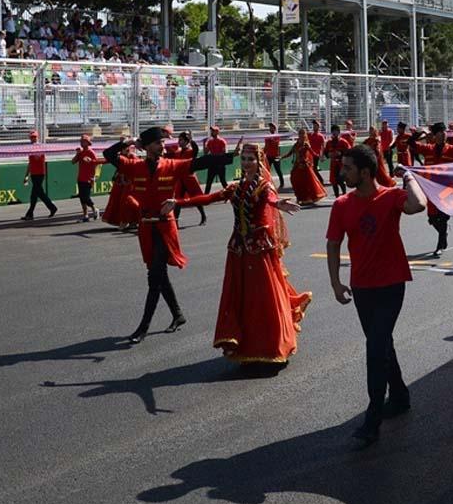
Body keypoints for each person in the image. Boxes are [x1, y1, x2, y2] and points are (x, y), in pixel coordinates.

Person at [164, 142, 309, 364]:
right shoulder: (236, 188)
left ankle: (271, 345)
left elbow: (271, 200)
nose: (247, 163)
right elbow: (209, 198)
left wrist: (279, 203)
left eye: (251, 159)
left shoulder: (264, 187)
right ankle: (245, 344)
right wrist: (179, 201)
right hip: (238, 249)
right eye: (244, 159)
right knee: (241, 298)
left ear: (259, 162)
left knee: (263, 298)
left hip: (259, 249)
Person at [326, 144, 427, 445]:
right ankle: (399, 395)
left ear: (365, 172)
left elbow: (418, 205)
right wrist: (335, 283)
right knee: (382, 343)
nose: (341, 172)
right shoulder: (342, 205)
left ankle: (373, 415)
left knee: (375, 346)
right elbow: (333, 244)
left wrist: (409, 178)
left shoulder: (390, 196)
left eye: (347, 168)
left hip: (391, 285)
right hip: (362, 287)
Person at [102, 127, 234, 343]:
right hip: (146, 228)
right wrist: (130, 141)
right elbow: (109, 155)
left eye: (162, 142)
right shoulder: (134, 166)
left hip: (165, 228)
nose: (162, 146)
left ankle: (142, 329)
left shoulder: (172, 165)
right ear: (145, 147)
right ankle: (178, 315)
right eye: (157, 143)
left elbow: (201, 163)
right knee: (159, 275)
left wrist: (232, 156)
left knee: (154, 277)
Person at [415, 122, 453, 257]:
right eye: (440, 132)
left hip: (447, 190)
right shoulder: (428, 149)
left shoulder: (452, 149)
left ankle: (440, 245)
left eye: (444, 131)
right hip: (431, 189)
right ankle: (444, 232)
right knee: (432, 218)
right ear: (435, 136)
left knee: (442, 217)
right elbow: (412, 144)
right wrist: (420, 134)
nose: (443, 134)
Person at [164, 131, 206, 226]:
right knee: (177, 201)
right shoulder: (177, 152)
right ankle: (176, 221)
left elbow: (195, 150)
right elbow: (169, 157)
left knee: (196, 199)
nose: (179, 141)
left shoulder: (190, 151)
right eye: (179, 139)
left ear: (186, 141)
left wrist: (192, 140)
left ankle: (203, 216)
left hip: (190, 179)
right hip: (180, 179)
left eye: (181, 140)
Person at [283, 128, 327, 206]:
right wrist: (282, 157)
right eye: (300, 133)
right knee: (294, 179)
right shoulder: (296, 144)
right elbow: (290, 153)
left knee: (306, 183)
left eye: (303, 133)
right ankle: (299, 197)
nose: (302, 135)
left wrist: (320, 157)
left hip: (305, 166)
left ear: (305, 135)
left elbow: (312, 153)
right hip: (297, 165)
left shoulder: (306, 144)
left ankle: (307, 198)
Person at [22, 130, 57, 220]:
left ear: (37, 138)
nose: (33, 139)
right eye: (32, 137)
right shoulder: (30, 148)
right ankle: (32, 213)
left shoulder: (40, 147)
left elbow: (38, 157)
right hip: (34, 173)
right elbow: (30, 163)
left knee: (37, 193)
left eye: (34, 137)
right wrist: (26, 175)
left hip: (40, 173)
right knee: (37, 194)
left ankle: (31, 213)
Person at [71, 135, 102, 223]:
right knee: (82, 198)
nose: (81, 143)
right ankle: (85, 215)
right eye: (81, 141)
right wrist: (78, 154)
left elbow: (97, 164)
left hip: (89, 178)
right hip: (80, 177)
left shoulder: (91, 152)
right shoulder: (80, 152)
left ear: (88, 143)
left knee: (86, 197)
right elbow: (73, 162)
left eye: (83, 141)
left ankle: (94, 209)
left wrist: (95, 177)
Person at [325, 125, 353, 198]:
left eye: (336, 131)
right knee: (334, 182)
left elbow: (350, 151)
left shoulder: (343, 142)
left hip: (341, 165)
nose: (334, 133)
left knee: (341, 181)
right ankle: (337, 198)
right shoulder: (329, 142)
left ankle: (344, 195)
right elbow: (326, 152)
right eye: (333, 131)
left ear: (339, 132)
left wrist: (341, 154)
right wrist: (328, 154)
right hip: (333, 164)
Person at [202, 125, 229, 193]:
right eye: (211, 131)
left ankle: (230, 194)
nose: (211, 132)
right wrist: (204, 144)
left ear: (217, 132)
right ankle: (205, 197)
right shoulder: (210, 141)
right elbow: (205, 153)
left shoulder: (222, 141)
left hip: (220, 164)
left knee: (223, 181)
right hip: (213, 164)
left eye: (213, 131)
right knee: (209, 182)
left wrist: (214, 155)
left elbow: (224, 152)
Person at [263, 122, 286, 190]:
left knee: (278, 170)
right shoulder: (267, 137)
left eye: (272, 127)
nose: (270, 128)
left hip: (276, 156)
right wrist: (263, 153)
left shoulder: (277, 136)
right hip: (269, 156)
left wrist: (271, 139)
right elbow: (266, 146)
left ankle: (282, 183)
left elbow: (276, 144)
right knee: (267, 170)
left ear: (274, 128)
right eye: (270, 127)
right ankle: (267, 183)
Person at [308, 119, 328, 185]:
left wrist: (322, 156)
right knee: (310, 168)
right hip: (310, 154)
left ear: (318, 127)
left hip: (316, 155)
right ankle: (314, 181)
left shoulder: (321, 136)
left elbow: (323, 146)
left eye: (316, 126)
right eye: (314, 126)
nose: (314, 127)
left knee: (314, 169)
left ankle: (320, 180)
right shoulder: (310, 135)